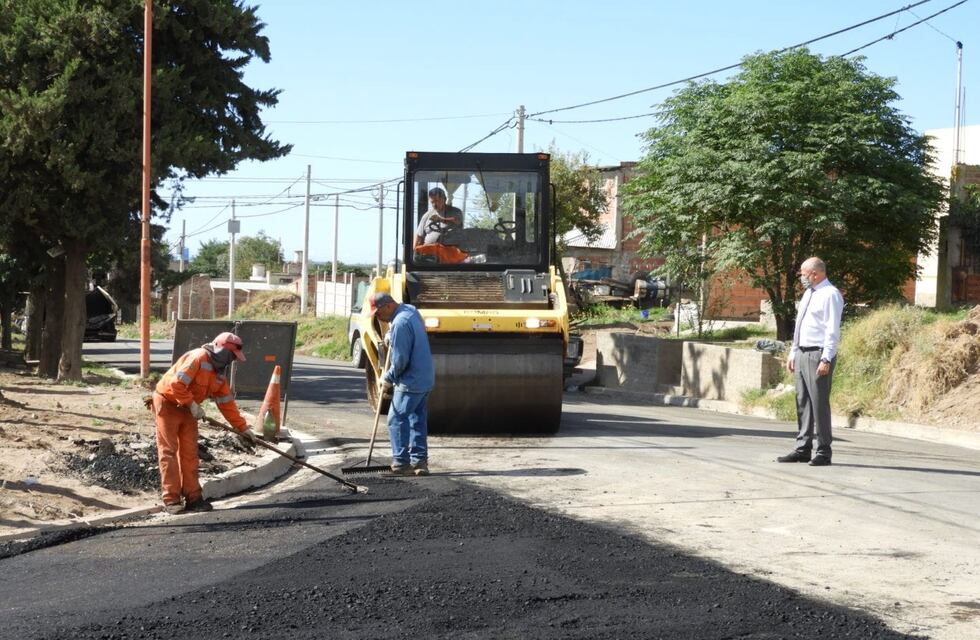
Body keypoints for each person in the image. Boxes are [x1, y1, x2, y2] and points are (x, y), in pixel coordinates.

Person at [152, 332, 254, 513]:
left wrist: (242, 428)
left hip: (189, 409)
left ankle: (194, 498)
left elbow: (226, 403)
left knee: (190, 453)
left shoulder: (219, 374)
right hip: (168, 404)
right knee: (169, 452)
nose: (232, 360)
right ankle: (171, 500)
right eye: (232, 356)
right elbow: (176, 384)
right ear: (222, 350)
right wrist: (192, 404)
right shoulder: (198, 358)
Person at [778, 257, 844, 467]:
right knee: (803, 401)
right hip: (802, 353)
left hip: (818, 354)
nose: (801, 277)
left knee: (819, 403)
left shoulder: (830, 294)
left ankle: (824, 451)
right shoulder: (809, 293)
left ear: (815, 274)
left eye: (803, 273)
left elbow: (832, 330)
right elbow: (800, 326)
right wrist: (793, 352)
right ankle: (803, 448)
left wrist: (826, 358)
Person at [369, 292, 435, 476]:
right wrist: (391, 334)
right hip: (425, 377)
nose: (378, 317)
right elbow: (409, 333)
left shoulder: (400, 323)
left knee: (396, 419)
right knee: (417, 419)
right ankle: (420, 462)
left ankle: (401, 463)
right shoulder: (410, 311)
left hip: (410, 381)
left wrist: (387, 378)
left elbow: (400, 361)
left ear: (388, 306)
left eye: (378, 312)